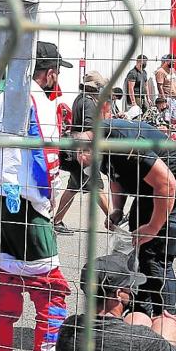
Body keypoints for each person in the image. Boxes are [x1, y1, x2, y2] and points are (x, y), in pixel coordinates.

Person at [0, 40, 71, 351]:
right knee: (53, 294)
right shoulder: (40, 102)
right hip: (29, 210)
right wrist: (46, 206)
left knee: (4, 295)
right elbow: (44, 160)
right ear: (49, 73)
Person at [75, 119, 176, 316]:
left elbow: (167, 184)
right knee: (137, 249)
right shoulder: (97, 146)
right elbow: (115, 175)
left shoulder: (122, 142)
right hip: (148, 189)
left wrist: (154, 226)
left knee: (155, 256)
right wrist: (117, 209)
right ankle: (142, 313)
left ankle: (166, 320)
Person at [52, 71, 110, 235]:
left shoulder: (80, 98)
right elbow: (89, 127)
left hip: (78, 150)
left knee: (73, 187)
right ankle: (115, 220)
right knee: (96, 186)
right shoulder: (89, 102)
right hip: (84, 152)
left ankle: (57, 221)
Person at [154, 54, 176, 125]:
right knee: (166, 118)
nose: (173, 64)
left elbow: (175, 84)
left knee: (174, 117)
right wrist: (164, 100)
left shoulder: (172, 70)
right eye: (172, 62)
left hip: (174, 97)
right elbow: (160, 86)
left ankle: (172, 132)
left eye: (174, 63)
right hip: (167, 97)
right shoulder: (160, 71)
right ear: (167, 60)